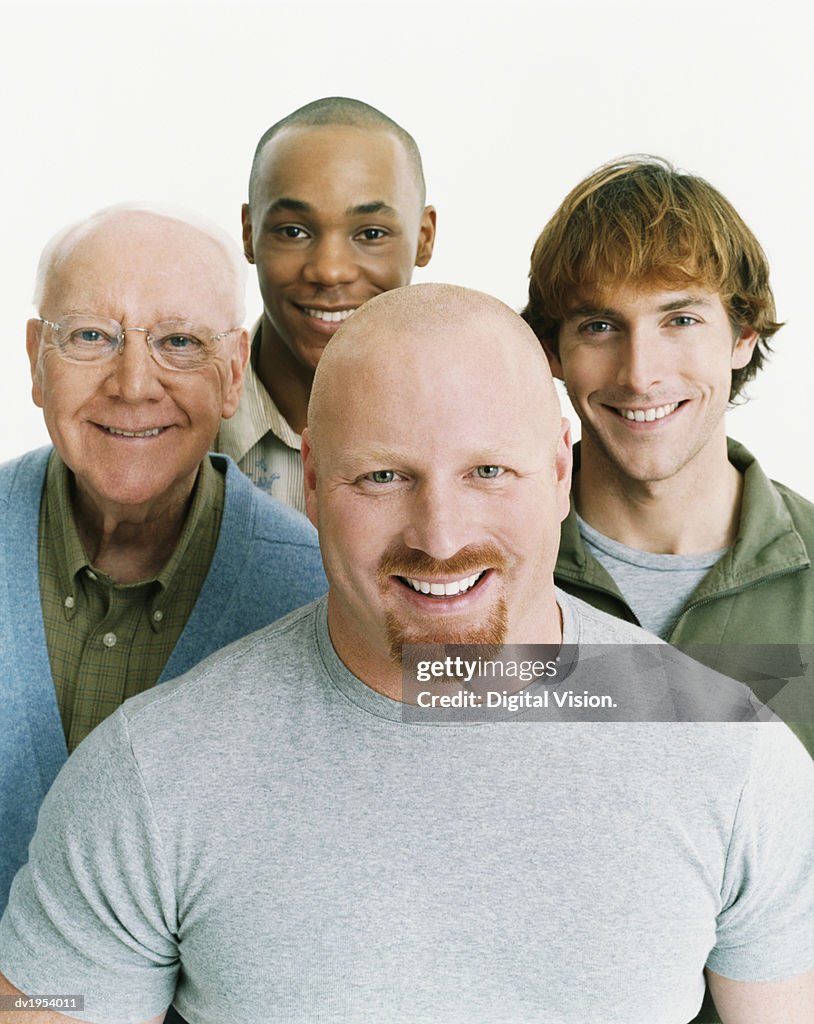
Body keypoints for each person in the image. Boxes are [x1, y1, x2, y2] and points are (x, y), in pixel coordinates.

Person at [0, 286, 811, 1023]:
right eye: (384, 477)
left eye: (488, 471)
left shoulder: (729, 749)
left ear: (559, 471)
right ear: (312, 480)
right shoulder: (150, 774)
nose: (441, 537)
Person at [0, 205, 327, 914]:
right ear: (35, 359)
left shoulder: (321, 593)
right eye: (91, 336)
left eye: (179, 341)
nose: (133, 383)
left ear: (233, 372)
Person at [522, 155, 814, 755]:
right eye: (600, 326)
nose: (640, 375)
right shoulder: (474, 569)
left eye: (680, 319)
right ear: (552, 352)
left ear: (742, 336)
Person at [214, 95, 436, 513]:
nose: (330, 271)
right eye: (294, 231)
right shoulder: (171, 429)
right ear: (248, 234)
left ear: (424, 237)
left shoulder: (486, 429)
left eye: (371, 234)